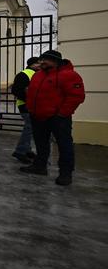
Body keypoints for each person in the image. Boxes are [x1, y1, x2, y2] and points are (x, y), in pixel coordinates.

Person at [20, 50, 85, 186]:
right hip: (38, 116)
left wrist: (62, 113)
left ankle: (65, 173)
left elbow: (76, 96)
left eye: (45, 60)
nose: (42, 62)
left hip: (58, 118)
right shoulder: (38, 75)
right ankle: (40, 166)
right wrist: (32, 110)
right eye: (41, 59)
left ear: (55, 61)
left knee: (64, 145)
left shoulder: (69, 75)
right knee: (41, 144)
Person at [11, 57, 41, 163]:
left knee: (30, 128)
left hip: (30, 105)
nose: (40, 64)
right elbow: (16, 90)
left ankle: (27, 149)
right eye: (38, 63)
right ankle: (20, 151)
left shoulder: (37, 74)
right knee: (29, 128)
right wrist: (28, 99)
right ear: (32, 64)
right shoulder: (24, 74)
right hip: (25, 105)